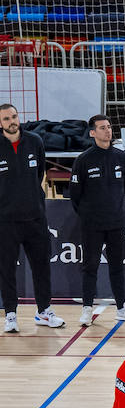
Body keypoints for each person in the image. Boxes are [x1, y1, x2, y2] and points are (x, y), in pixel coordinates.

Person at [67, 113, 125, 326]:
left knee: (117, 266)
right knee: (90, 266)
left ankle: (121, 308)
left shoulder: (122, 158)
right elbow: (75, 195)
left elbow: (124, 188)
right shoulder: (83, 160)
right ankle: (87, 309)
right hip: (92, 224)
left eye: (109, 126)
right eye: (102, 127)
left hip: (117, 222)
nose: (107, 130)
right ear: (92, 133)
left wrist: (117, 211)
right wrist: (89, 215)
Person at [0, 102, 64, 333]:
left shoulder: (35, 141)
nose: (11, 121)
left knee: (41, 267)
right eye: (6, 119)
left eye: (14, 117)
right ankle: (10, 314)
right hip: (5, 221)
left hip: (35, 218)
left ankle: (44, 311)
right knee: (6, 269)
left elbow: (39, 175)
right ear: (0, 123)